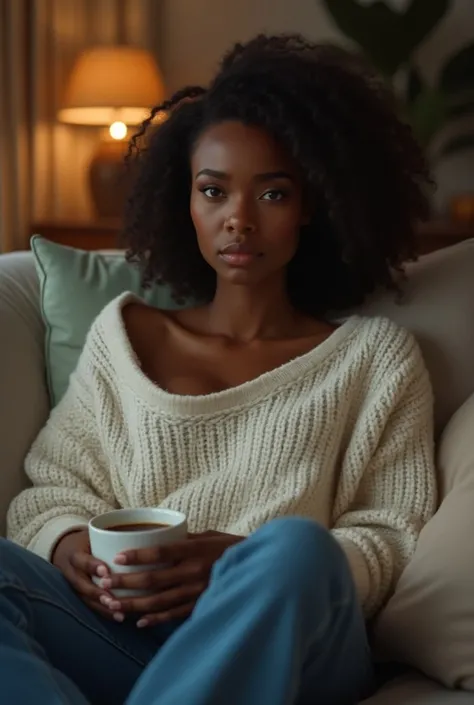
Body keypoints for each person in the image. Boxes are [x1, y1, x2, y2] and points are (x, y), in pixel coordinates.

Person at [1, 34, 436, 705]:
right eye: (214, 191)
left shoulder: (374, 358)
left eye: (271, 194)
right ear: (188, 203)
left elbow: (392, 537)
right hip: (130, 640)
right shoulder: (123, 336)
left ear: (311, 205)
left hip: (298, 650)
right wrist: (66, 545)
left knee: (296, 548)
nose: (238, 219)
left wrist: (246, 563)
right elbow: (52, 488)